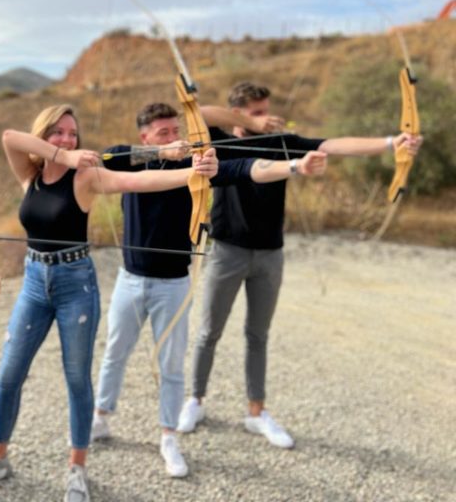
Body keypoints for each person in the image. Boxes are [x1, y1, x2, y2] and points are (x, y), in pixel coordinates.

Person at [0, 104, 217, 502]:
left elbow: (138, 183)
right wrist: (62, 155)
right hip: (32, 281)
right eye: (57, 132)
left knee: (77, 379)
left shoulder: (87, 176)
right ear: (44, 136)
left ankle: (77, 469)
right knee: (8, 376)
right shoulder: (31, 176)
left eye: (72, 134)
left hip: (74, 282)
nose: (66, 139)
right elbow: (11, 138)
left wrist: (193, 173)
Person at [177, 81, 424, 449]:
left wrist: (392, 143)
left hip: (270, 253)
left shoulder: (283, 141)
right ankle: (195, 400)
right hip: (227, 250)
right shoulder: (220, 139)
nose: (268, 118)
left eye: (267, 110)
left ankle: (256, 412)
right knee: (208, 332)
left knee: (257, 335)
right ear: (241, 113)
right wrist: (252, 124)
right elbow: (199, 111)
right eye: (258, 111)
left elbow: (334, 145)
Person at [91, 102, 328, 477]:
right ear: (145, 137)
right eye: (164, 132)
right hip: (131, 278)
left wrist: (295, 166)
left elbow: (247, 169)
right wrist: (162, 153)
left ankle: (168, 436)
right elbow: (104, 156)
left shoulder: (200, 165)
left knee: (171, 364)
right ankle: (101, 416)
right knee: (115, 353)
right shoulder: (129, 158)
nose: (174, 138)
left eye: (176, 131)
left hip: (174, 283)